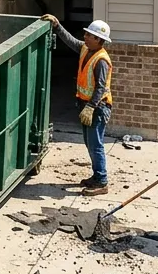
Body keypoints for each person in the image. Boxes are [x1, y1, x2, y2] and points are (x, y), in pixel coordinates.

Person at [41, 14, 114, 196]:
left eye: (89, 35)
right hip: (87, 105)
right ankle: (96, 177)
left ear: (99, 40)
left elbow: (100, 87)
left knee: (96, 145)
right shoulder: (85, 49)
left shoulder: (101, 60)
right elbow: (71, 41)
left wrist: (91, 107)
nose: (85, 37)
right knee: (90, 144)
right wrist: (57, 25)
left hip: (97, 108)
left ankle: (102, 181)